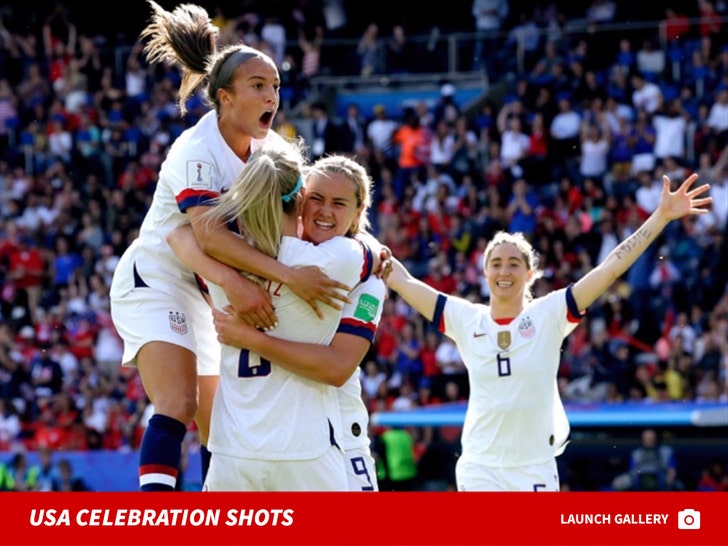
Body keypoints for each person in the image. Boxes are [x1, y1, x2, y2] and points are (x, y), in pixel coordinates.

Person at [109, 1, 349, 491]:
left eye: (276, 86)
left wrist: (362, 242)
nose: (272, 97)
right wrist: (272, 279)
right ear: (224, 97)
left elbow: (307, 215)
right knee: (175, 403)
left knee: (221, 426)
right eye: (259, 86)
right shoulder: (195, 150)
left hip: (208, 284)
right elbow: (205, 234)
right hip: (158, 278)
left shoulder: (275, 151)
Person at [385, 173, 711, 491]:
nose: (504, 271)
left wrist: (661, 216)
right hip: (480, 466)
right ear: (484, 272)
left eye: (513, 263)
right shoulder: (465, 317)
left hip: (534, 467)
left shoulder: (550, 313)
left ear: (530, 273)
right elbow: (403, 279)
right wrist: (359, 235)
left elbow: (610, 267)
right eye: (496, 263)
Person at [167, 141, 381, 491]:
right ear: (300, 199)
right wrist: (377, 250)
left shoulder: (226, 255)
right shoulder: (341, 261)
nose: (326, 211)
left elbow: (179, 235)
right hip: (306, 448)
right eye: (318, 199)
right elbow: (337, 367)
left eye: (338, 203)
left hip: (233, 448)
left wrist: (228, 283)